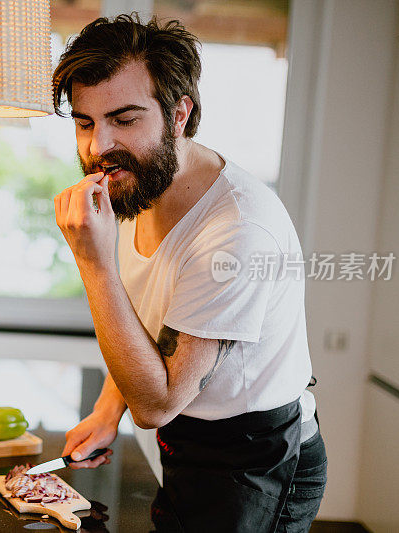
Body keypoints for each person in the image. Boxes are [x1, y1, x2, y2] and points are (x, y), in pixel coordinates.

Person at [52, 14, 326, 532]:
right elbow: (147, 328)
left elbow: (158, 403)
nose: (97, 147)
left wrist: (94, 263)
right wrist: (107, 411)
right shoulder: (137, 186)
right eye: (85, 122)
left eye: (125, 119)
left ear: (180, 113)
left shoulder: (236, 232)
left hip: (258, 462)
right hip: (187, 441)